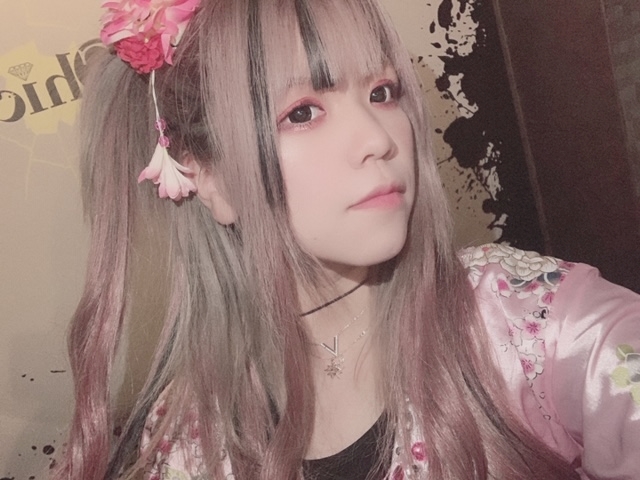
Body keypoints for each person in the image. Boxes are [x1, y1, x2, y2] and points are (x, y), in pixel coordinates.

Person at [54, 0, 640, 479]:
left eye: (382, 92)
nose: (379, 139)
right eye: (302, 112)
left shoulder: (538, 325)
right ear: (206, 175)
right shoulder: (186, 441)